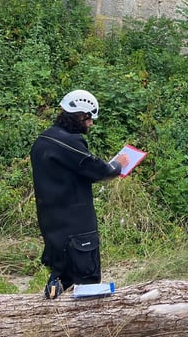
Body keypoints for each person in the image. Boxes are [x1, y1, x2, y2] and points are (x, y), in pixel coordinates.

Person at [30, 89, 129, 299]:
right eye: (89, 118)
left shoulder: (42, 141)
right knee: (88, 282)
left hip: (52, 226)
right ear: (78, 116)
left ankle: (49, 321)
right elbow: (98, 170)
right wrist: (118, 165)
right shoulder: (70, 142)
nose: (91, 123)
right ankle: (89, 330)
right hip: (77, 228)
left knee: (62, 278)